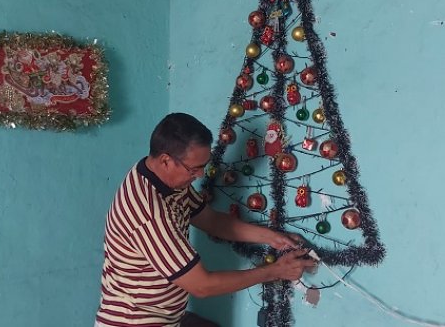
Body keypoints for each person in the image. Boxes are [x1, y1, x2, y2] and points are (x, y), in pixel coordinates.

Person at [95, 113, 317, 327]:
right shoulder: (148, 214)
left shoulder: (162, 178)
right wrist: (275, 271)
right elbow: (202, 286)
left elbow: (210, 220)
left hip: (165, 317)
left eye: (203, 166)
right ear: (165, 161)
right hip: (133, 321)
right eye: (194, 168)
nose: (200, 176)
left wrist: (272, 237)